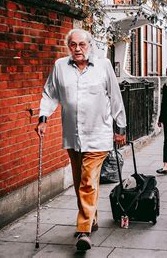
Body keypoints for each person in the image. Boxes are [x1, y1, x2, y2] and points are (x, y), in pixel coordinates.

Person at [36, 28, 126, 252]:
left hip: (98, 134)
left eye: (82, 45)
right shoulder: (60, 67)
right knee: (81, 183)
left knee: (87, 181)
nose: (77, 49)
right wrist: (43, 117)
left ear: (90, 45)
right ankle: (92, 217)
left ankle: (84, 230)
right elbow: (50, 93)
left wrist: (120, 126)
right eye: (73, 45)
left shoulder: (103, 66)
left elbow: (115, 96)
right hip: (73, 136)